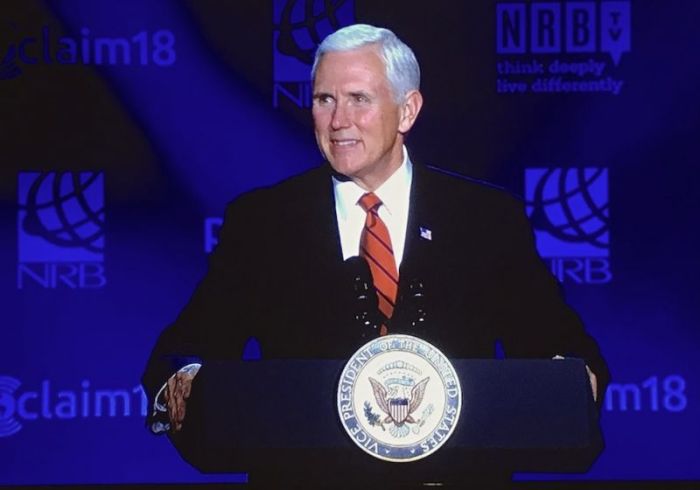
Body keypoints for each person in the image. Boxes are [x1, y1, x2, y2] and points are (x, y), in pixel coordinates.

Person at [142, 24, 608, 438]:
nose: (338, 120)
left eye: (359, 99)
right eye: (325, 99)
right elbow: (187, 347)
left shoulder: (486, 218)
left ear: (407, 111)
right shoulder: (262, 221)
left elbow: (561, 349)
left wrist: (572, 380)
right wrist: (183, 379)